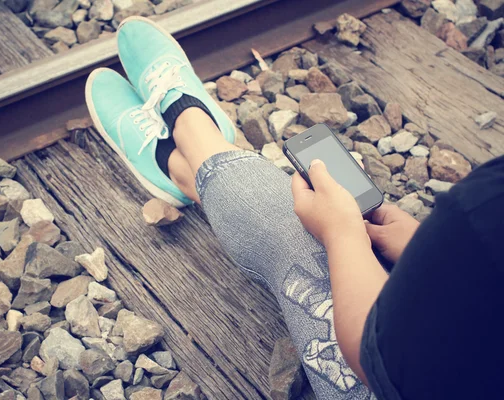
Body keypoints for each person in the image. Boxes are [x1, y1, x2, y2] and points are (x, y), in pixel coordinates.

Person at [86, 16, 504, 400]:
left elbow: (383, 354)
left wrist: (342, 234)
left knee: (300, 236)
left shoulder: (483, 205)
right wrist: (437, 254)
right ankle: (188, 161)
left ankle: (190, 134)